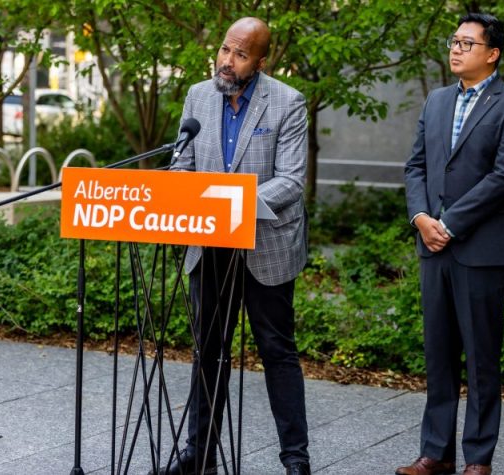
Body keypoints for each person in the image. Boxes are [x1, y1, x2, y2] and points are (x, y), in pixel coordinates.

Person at [158, 16, 310, 475]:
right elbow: (182, 164)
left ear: (261, 61)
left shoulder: (287, 102)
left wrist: (232, 205)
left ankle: (295, 460)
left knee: (277, 352)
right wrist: (178, 188)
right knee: (208, 350)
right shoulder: (198, 96)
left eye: (240, 54)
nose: (227, 60)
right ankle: (198, 455)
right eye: (226, 49)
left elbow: (291, 181)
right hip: (209, 247)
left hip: (265, 246)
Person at [398, 12, 504, 475]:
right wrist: (421, 218)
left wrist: (448, 224)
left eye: (467, 43)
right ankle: (435, 453)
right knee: (438, 355)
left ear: (492, 53)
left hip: (482, 250)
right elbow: (415, 166)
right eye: (454, 41)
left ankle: (478, 460)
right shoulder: (436, 100)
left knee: (481, 359)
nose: (456, 49)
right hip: (431, 246)